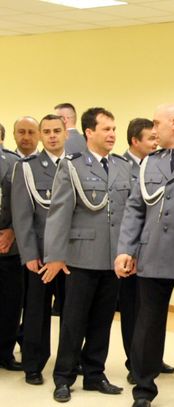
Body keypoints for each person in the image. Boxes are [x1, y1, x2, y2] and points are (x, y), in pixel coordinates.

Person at [40, 107, 132, 403]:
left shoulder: (122, 166)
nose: (112, 134)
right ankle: (63, 377)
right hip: (80, 257)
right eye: (106, 129)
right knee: (73, 321)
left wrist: (129, 251)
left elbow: (129, 214)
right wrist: (55, 256)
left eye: (114, 129)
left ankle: (94, 374)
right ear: (89, 132)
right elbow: (59, 214)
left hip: (112, 258)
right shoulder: (72, 166)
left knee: (103, 321)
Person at [115, 104, 174, 407]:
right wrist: (126, 249)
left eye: (156, 123)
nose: (153, 130)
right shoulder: (150, 162)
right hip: (152, 256)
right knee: (147, 328)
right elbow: (135, 208)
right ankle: (143, 390)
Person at [11, 114, 68, 385]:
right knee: (36, 312)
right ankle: (33, 364)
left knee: (72, 313)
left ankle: (70, 360)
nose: (52, 136)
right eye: (47, 132)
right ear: (41, 136)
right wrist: (29, 254)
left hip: (71, 256)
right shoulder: (27, 168)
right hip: (41, 255)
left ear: (66, 133)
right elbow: (22, 216)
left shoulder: (77, 165)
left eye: (57, 130)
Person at [119, 118, 174, 384]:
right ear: (135, 141)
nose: (155, 142)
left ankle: (153, 360)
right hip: (143, 251)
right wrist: (127, 249)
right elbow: (133, 209)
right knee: (140, 317)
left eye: (156, 136)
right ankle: (138, 370)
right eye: (150, 137)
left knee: (151, 317)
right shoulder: (129, 165)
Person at [0, 143, 23, 372]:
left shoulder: (15, 163)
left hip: (9, 245)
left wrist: (13, 230)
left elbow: (23, 203)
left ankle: (5, 353)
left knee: (10, 304)